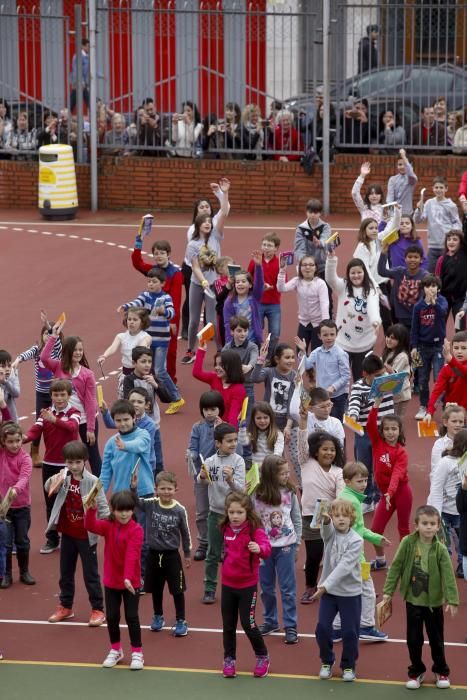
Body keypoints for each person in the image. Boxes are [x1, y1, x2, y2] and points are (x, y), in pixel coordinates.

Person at [382, 505, 459, 689]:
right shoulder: (408, 543)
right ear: (416, 525)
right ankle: (416, 672)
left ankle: (441, 671)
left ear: (438, 526)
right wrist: (388, 592)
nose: (429, 527)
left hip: (433, 603)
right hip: (413, 602)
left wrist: (452, 599)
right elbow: (397, 566)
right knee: (413, 639)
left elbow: (448, 575)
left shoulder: (440, 549)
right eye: (425, 523)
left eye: (433, 524)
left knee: (436, 640)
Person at [45, 441, 108, 625]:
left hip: (86, 536)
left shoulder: (93, 481)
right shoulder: (64, 477)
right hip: (67, 533)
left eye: (77, 462)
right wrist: (56, 479)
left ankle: (97, 609)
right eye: (70, 462)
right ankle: (66, 606)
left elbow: (103, 508)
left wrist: (111, 525)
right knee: (65, 572)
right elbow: (48, 487)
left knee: (91, 574)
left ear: (85, 461)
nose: (73, 466)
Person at [84, 489, 145, 670]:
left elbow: (132, 555)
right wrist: (91, 510)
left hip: (130, 582)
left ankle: (137, 652)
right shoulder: (108, 525)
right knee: (111, 617)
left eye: (127, 510)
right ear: (113, 510)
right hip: (111, 581)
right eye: (120, 510)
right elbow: (90, 526)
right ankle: (116, 649)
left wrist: (127, 578)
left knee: (132, 616)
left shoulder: (137, 530)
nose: (124, 514)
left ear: (133, 510)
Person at [23, 379, 80, 554]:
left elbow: (72, 427)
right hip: (49, 465)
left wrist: (54, 420)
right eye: (56, 395)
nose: (59, 398)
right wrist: (20, 440)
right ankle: (52, 539)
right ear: (51, 396)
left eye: (63, 394)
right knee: (51, 503)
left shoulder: (74, 412)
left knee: (71, 503)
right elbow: (34, 431)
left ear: (69, 396)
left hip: (70, 467)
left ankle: (72, 539)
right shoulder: (45, 414)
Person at [119, 269, 185, 415]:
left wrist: (163, 312)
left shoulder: (166, 298)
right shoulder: (145, 296)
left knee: (160, 371)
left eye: (154, 281)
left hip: (161, 340)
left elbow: (172, 312)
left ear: (162, 283)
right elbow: (136, 303)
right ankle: (147, 401)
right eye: (149, 281)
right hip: (148, 339)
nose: (150, 284)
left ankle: (176, 398)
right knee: (150, 369)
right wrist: (126, 306)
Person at [40, 320, 102, 476]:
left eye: (81, 350)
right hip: (67, 420)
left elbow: (90, 402)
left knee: (92, 455)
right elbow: (44, 357)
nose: (79, 353)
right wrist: (53, 336)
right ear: (68, 351)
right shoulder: (58, 366)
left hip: (84, 420)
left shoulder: (87, 374)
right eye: (75, 350)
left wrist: (90, 428)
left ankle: (98, 488)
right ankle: (70, 486)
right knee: (70, 456)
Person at [220, 491, 271, 678]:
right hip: (227, 584)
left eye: (239, 512)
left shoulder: (254, 530)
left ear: (247, 512)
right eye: (231, 512)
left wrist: (259, 549)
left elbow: (266, 548)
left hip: (247, 586)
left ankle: (262, 656)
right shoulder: (224, 528)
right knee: (228, 625)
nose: (235, 516)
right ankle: (229, 659)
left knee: (248, 624)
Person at [337, 461, 389, 642]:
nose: (364, 484)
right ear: (347, 481)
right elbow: (352, 532)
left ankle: (336, 628)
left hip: (345, 556)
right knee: (367, 590)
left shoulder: (346, 498)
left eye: (366, 480)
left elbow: (358, 528)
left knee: (341, 590)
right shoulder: (352, 503)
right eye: (359, 481)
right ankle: (366, 626)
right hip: (355, 557)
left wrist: (376, 538)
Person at [136, 471, 191, 637]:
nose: (166, 492)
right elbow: (135, 502)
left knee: (177, 590)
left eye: (169, 488)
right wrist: (133, 487)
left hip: (172, 556)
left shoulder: (179, 510)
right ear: (156, 489)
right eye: (162, 488)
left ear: (176, 489)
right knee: (156, 588)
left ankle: (181, 619)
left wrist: (187, 553)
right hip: (153, 555)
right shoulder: (151, 504)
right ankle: (158, 616)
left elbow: (185, 532)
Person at [313, 499, 363, 682]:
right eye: (337, 516)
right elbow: (325, 532)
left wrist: (324, 585)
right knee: (323, 629)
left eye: (345, 516)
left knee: (350, 632)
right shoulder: (331, 534)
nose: (341, 519)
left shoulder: (356, 540)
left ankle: (349, 665)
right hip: (329, 593)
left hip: (350, 593)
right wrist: (325, 521)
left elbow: (344, 567)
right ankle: (327, 661)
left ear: (352, 518)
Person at [254, 456, 301, 644]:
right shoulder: (256, 494)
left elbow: (296, 518)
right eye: (283, 473)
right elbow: (248, 513)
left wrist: (297, 544)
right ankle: (270, 621)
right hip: (263, 548)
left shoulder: (290, 492)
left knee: (287, 588)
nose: (287, 475)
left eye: (287, 472)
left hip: (286, 547)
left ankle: (290, 625)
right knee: (266, 588)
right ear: (271, 474)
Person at [297, 417, 344, 605]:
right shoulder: (306, 462)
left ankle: (335, 586)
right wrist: (302, 420)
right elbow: (301, 440)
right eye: (325, 449)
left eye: (332, 450)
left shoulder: (338, 472)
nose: (329, 453)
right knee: (314, 554)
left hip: (329, 516)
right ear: (315, 451)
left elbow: (340, 495)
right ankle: (310, 586)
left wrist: (334, 513)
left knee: (334, 553)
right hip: (310, 515)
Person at [197, 423, 245, 604]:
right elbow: (201, 481)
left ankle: (236, 586)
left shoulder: (238, 461)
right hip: (215, 514)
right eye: (229, 441)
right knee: (213, 553)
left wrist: (231, 480)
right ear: (218, 443)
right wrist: (202, 475)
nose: (233, 444)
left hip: (234, 518)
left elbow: (241, 491)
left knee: (235, 553)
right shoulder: (210, 462)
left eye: (235, 440)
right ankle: (209, 588)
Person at [181, 180, 231, 343]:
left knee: (212, 316)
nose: (204, 209)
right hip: (194, 271)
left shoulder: (215, 227)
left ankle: (210, 343)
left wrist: (221, 193)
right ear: (196, 213)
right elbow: (199, 260)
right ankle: (189, 338)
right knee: (192, 306)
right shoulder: (192, 234)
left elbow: (225, 210)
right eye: (201, 207)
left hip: (212, 276)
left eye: (207, 207)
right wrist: (203, 278)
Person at [11, 310, 62, 467]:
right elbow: (24, 355)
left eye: (50, 334)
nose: (47, 336)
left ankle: (54, 452)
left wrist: (48, 325)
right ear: (41, 336)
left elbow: (55, 337)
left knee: (55, 423)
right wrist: (16, 362)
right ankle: (34, 452)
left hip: (55, 393)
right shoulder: (36, 350)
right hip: (41, 393)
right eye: (45, 334)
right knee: (39, 422)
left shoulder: (56, 349)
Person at [366, 399, 412, 570]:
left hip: (401, 493)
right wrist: (375, 405)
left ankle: (404, 563)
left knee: (403, 529)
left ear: (399, 431)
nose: (390, 432)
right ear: (382, 431)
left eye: (394, 429)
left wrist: (390, 493)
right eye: (387, 429)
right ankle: (380, 560)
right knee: (375, 530)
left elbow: (397, 475)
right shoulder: (377, 443)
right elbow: (370, 424)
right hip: (386, 495)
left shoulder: (401, 453)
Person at [131, 238, 183, 385]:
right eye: (156, 253)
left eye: (162, 253)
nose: (159, 256)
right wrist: (138, 243)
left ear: (169, 254)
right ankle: (151, 378)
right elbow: (137, 263)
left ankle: (171, 381)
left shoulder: (175, 274)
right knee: (149, 349)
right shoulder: (153, 271)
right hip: (151, 320)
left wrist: (172, 321)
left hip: (168, 318)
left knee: (170, 351)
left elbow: (176, 300)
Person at [347, 353, 394, 512]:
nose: (382, 378)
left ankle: (380, 497)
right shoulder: (358, 387)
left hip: (384, 433)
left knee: (381, 467)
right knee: (364, 467)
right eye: (378, 376)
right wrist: (353, 416)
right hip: (364, 433)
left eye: (383, 374)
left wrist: (392, 373)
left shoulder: (388, 380)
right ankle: (366, 499)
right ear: (365, 374)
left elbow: (404, 382)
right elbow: (353, 404)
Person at [325, 251, 380, 380]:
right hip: (342, 342)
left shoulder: (371, 290)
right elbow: (330, 278)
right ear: (348, 274)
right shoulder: (343, 287)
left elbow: (372, 308)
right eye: (353, 273)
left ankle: (359, 399)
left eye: (359, 272)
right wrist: (331, 258)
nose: (356, 275)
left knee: (360, 379)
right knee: (339, 378)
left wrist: (375, 321)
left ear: (365, 273)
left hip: (364, 343)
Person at [187, 390, 225, 562]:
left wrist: (219, 432)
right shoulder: (197, 427)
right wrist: (191, 455)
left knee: (221, 511)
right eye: (206, 409)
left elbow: (226, 450)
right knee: (202, 512)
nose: (209, 413)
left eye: (213, 409)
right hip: (202, 475)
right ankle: (203, 543)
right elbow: (193, 447)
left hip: (219, 477)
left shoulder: (225, 428)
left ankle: (221, 545)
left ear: (220, 409)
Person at [428, 429, 467, 578]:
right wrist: (436, 514)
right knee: (444, 546)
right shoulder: (446, 463)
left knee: (462, 544)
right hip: (444, 511)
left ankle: (461, 566)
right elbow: (436, 489)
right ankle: (442, 572)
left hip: (460, 512)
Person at [0, 422, 35, 589]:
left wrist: (16, 489)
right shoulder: (1, 454)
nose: (14, 445)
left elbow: (25, 477)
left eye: (18, 440)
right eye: (10, 441)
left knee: (22, 540)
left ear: (22, 440)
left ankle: (24, 571)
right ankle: (6, 574)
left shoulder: (25, 458)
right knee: (5, 542)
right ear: (3, 442)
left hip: (21, 507)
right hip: (4, 509)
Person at [410, 274, 448, 421]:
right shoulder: (418, 307)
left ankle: (445, 405)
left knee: (439, 378)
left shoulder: (442, 301)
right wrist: (413, 346)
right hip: (421, 348)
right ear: (423, 289)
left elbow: (443, 313)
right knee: (422, 379)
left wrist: (434, 303)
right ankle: (423, 406)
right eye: (428, 286)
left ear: (438, 288)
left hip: (438, 347)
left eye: (433, 286)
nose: (431, 289)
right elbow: (414, 328)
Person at [99, 400, 153, 500]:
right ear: (113, 421)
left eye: (126, 419)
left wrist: (125, 445)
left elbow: (139, 444)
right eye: (118, 421)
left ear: (134, 418)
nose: (123, 423)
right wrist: (98, 496)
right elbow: (105, 473)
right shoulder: (111, 443)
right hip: (121, 494)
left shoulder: (143, 434)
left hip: (143, 492)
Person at [122, 347, 163, 473]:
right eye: (143, 361)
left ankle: (158, 479)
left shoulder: (152, 378)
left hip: (153, 424)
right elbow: (127, 401)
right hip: (137, 426)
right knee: (141, 454)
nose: (147, 365)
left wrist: (155, 384)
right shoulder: (129, 380)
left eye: (149, 362)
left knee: (157, 457)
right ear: (134, 363)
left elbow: (168, 398)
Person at [300, 320, 350, 422]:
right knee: (322, 422)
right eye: (325, 335)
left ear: (336, 335)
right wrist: (303, 351)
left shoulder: (340, 354)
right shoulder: (317, 352)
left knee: (336, 423)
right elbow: (307, 365)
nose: (329, 337)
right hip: (322, 396)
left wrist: (333, 387)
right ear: (319, 336)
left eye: (332, 334)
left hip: (338, 396)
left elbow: (346, 376)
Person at [279, 255, 329, 354]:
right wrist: (282, 271)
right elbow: (281, 288)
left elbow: (324, 304)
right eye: (304, 265)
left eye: (311, 265)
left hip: (318, 324)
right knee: (300, 352)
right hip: (304, 323)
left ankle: (315, 370)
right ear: (300, 267)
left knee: (317, 352)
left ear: (315, 268)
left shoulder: (320, 284)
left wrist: (325, 325)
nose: (307, 267)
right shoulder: (297, 281)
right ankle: (302, 370)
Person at [101, 387, 156, 474]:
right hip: (128, 462)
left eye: (140, 402)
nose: (135, 404)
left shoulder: (150, 424)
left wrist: (125, 445)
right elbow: (111, 423)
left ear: (147, 405)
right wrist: (105, 412)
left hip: (144, 464)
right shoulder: (125, 419)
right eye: (132, 401)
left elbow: (143, 444)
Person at [98, 307, 151, 397]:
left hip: (140, 375)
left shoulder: (145, 337)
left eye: (135, 319)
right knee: (124, 400)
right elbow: (113, 347)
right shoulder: (121, 336)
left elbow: (141, 349)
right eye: (129, 319)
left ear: (142, 322)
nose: (131, 322)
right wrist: (104, 356)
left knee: (140, 400)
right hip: (126, 374)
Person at [414, 176, 462, 272]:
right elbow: (418, 220)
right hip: (432, 246)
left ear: (446, 189)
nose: (438, 190)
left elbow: (457, 223)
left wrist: (452, 238)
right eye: (436, 187)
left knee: (447, 272)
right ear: (433, 188)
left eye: (441, 187)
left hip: (446, 246)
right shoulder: (429, 203)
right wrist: (418, 209)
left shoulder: (451, 205)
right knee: (430, 274)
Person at [192, 342, 246, 427]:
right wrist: (201, 350)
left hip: (224, 429)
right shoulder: (214, 378)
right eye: (216, 364)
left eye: (221, 365)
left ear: (232, 366)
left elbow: (233, 416)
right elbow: (196, 373)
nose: (216, 368)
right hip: (210, 424)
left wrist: (224, 426)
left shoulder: (238, 389)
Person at [247, 233, 282, 358]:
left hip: (274, 303)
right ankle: (255, 355)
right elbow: (248, 277)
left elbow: (283, 282)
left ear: (276, 248)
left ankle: (269, 357)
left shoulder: (279, 262)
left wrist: (272, 287)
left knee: (275, 333)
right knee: (256, 331)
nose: (266, 247)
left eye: (269, 245)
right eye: (264, 245)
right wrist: (255, 286)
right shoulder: (255, 260)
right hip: (258, 302)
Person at [377, 243, 425, 331]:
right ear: (405, 259)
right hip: (400, 316)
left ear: (421, 260)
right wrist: (384, 253)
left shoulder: (425, 276)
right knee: (401, 341)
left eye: (416, 257)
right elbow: (382, 271)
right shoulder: (399, 272)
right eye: (410, 257)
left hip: (416, 316)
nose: (412, 260)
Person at [251, 343, 297, 433]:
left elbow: (292, 401)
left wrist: (288, 425)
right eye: (287, 357)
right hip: (269, 421)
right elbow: (255, 378)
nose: (291, 360)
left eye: (292, 357)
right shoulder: (269, 372)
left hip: (287, 423)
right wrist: (261, 359)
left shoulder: (294, 376)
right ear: (277, 359)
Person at [223, 253, 264, 347]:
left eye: (243, 281)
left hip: (253, 340)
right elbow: (227, 324)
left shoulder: (254, 298)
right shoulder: (230, 302)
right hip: (237, 342)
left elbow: (259, 284)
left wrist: (258, 266)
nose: (240, 284)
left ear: (250, 285)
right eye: (237, 282)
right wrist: (229, 343)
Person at [223, 316, 258, 423]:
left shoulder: (252, 347)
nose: (243, 333)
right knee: (230, 416)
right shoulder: (227, 348)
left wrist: (249, 366)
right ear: (232, 332)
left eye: (245, 330)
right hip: (232, 388)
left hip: (247, 388)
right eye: (239, 331)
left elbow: (254, 358)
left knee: (247, 419)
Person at [426, 332, 467, 422]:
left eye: (464, 348)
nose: (459, 351)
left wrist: (450, 359)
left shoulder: (452, 363)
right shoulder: (446, 369)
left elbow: (463, 372)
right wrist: (430, 412)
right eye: (456, 348)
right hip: (451, 412)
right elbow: (438, 391)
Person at [238, 401, 284, 466]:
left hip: (271, 469)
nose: (262, 421)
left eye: (265, 417)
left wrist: (265, 466)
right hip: (257, 471)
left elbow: (277, 453)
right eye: (258, 418)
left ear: (271, 418)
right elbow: (243, 442)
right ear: (253, 419)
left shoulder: (277, 434)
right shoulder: (252, 432)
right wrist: (242, 428)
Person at [435, 230, 467, 319]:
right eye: (449, 239)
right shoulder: (442, 259)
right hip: (444, 298)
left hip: (460, 298)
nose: (451, 242)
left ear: (461, 242)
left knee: (460, 327)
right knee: (439, 326)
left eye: (455, 239)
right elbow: (437, 279)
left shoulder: (464, 256)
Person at [382, 324, 412, 418]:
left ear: (401, 341)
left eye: (393, 338)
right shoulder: (389, 351)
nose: (388, 340)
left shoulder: (402, 356)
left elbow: (394, 375)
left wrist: (387, 369)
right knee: (389, 421)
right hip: (392, 394)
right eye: (387, 336)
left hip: (400, 396)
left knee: (395, 422)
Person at [430, 404, 466, 477]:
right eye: (454, 421)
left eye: (461, 422)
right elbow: (435, 471)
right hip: (446, 484)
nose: (458, 424)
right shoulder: (439, 444)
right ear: (445, 422)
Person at [387, 149, 418, 215]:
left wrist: (404, 156)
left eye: (405, 164)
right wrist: (391, 215)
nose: (402, 167)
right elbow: (390, 198)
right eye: (400, 164)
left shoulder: (411, 179)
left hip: (407, 214)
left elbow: (410, 173)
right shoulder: (392, 179)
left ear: (410, 165)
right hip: (395, 214)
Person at [70, 37, 90, 112]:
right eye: (88, 46)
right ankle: (65, 114)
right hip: (78, 83)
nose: (89, 48)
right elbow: (76, 70)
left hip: (84, 84)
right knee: (73, 101)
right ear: (83, 46)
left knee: (73, 101)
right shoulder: (77, 56)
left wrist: (101, 75)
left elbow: (90, 69)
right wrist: (81, 82)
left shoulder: (87, 57)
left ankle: (66, 113)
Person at [0, 349, 20, 421]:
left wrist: (5, 382)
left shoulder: (13, 374)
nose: (7, 369)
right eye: (3, 366)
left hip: (11, 420)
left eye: (9, 365)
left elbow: (16, 393)